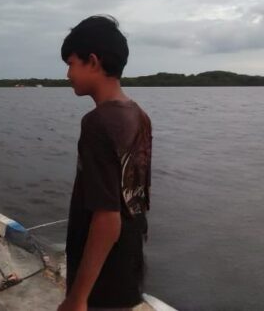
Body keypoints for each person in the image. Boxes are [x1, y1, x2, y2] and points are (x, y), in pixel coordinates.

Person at [57, 16, 152, 311]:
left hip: (102, 274)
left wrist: (78, 297)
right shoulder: (139, 115)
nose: (68, 73)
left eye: (71, 63)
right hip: (130, 261)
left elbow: (107, 218)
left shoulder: (97, 123)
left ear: (93, 62)